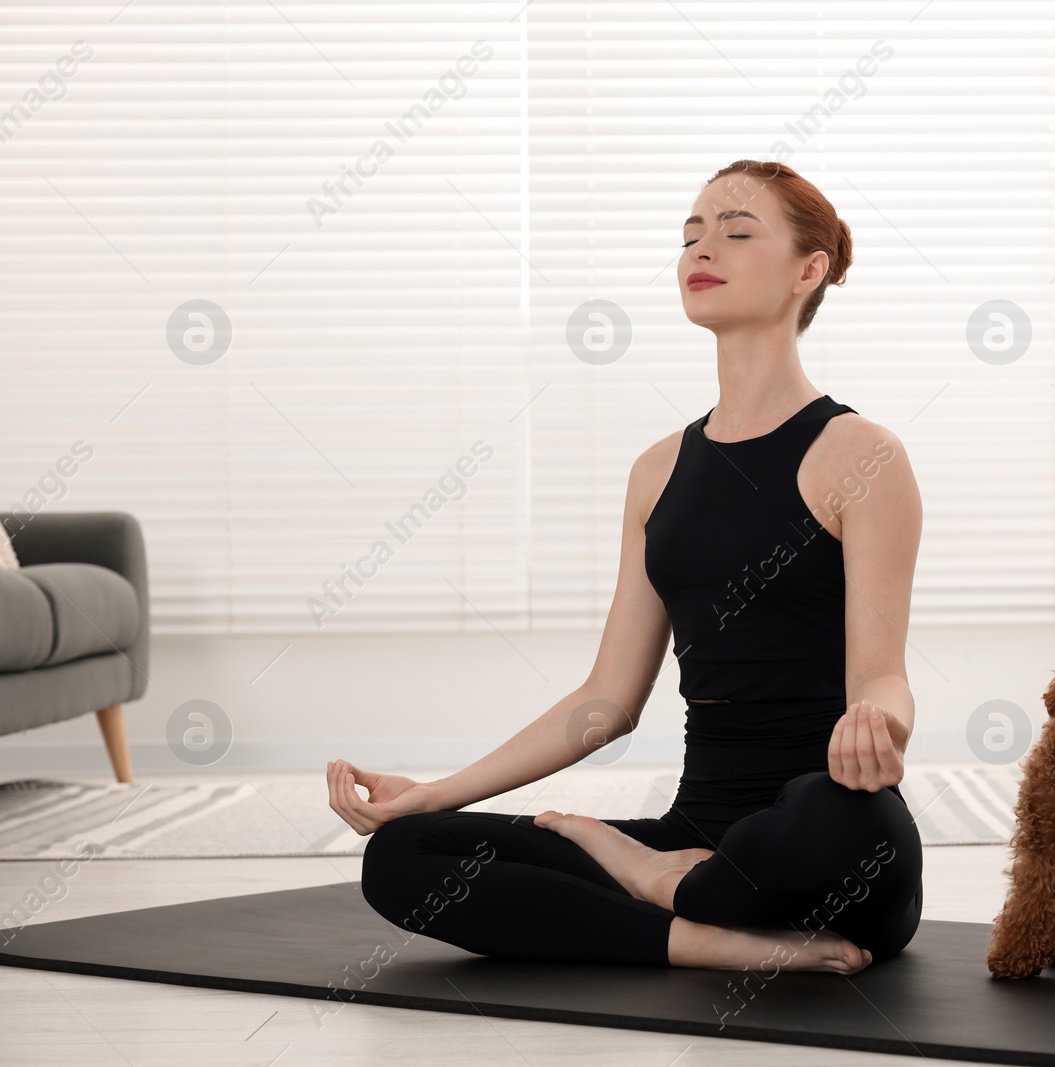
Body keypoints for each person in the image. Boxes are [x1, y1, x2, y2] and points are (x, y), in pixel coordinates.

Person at [328, 159, 924, 975]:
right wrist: (435, 792)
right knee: (403, 856)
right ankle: (698, 932)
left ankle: (652, 883)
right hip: (696, 834)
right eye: (690, 233)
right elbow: (606, 701)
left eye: (736, 231)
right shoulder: (657, 471)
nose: (701, 247)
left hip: (816, 832)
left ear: (808, 270)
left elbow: (882, 678)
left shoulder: (861, 455)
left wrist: (880, 730)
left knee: (841, 824)